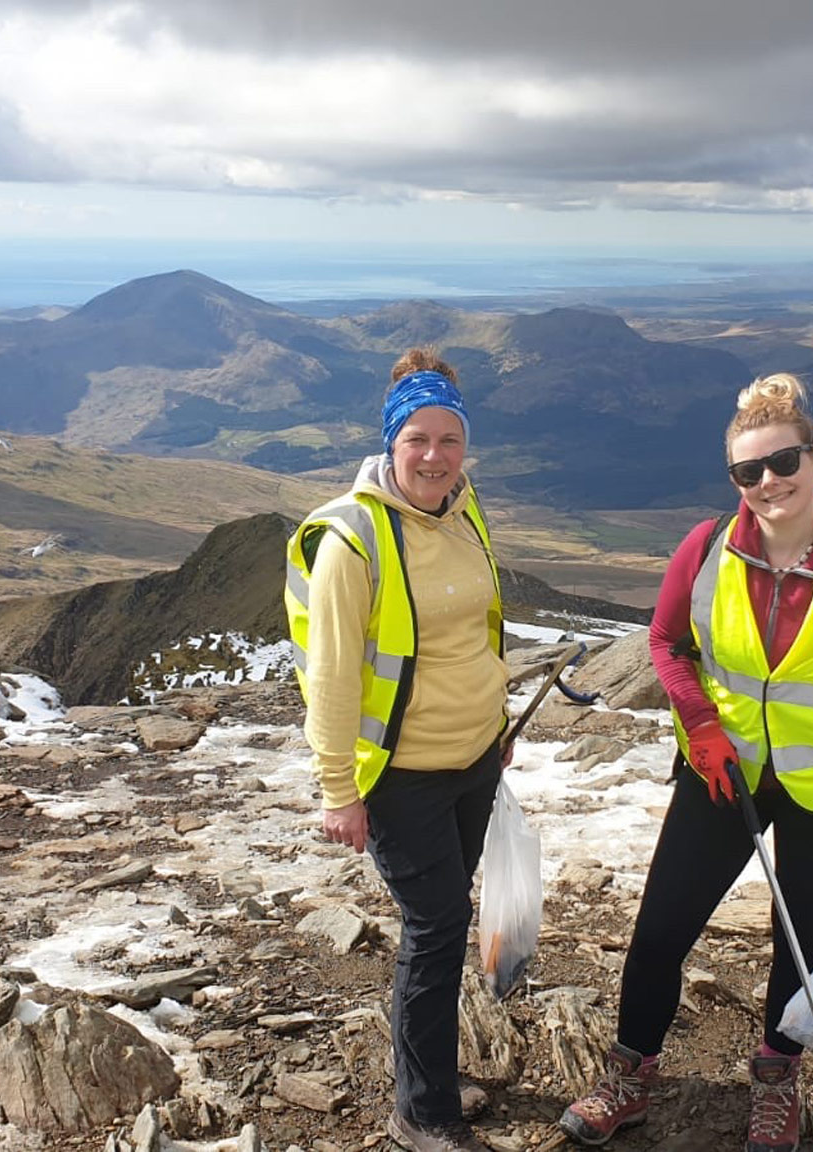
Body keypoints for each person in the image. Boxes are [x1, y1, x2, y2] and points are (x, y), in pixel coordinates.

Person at [558, 373, 813, 1152]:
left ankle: (776, 1081)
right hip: (722, 775)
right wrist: (701, 724)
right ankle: (631, 1076)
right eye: (748, 472)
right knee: (659, 933)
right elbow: (665, 644)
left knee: (799, 938)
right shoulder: (707, 548)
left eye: (783, 463)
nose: (767, 483)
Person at [285, 348, 510, 1152]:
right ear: (390, 442)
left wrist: (497, 725)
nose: (434, 456)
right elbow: (334, 675)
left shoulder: (463, 505)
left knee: (446, 924)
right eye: (418, 439)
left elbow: (480, 628)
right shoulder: (357, 541)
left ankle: (433, 1079)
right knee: (438, 926)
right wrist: (339, 790)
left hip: (474, 758)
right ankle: (421, 1112)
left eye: (450, 440)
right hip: (403, 776)